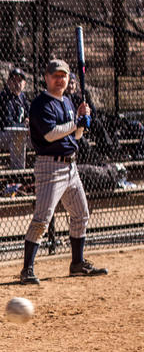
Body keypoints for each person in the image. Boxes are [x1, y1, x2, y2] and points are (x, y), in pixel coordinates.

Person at [19, 59, 108, 285]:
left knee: (81, 214)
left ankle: (77, 263)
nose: (60, 79)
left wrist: (81, 124)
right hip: (50, 166)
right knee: (42, 219)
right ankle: (27, 269)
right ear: (46, 78)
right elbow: (50, 134)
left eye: (63, 76)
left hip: (71, 166)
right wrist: (76, 121)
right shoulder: (41, 104)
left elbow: (74, 137)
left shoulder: (67, 101)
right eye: (55, 75)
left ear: (68, 79)